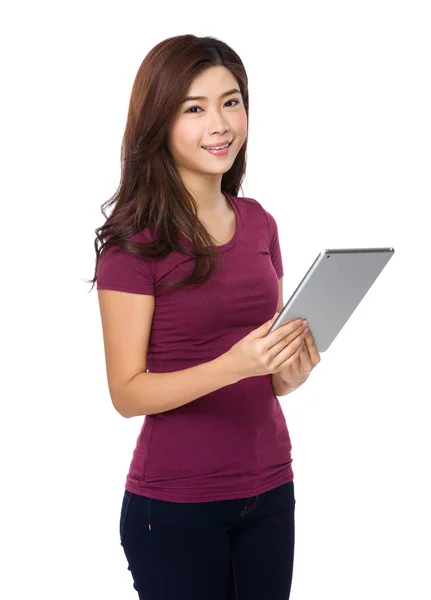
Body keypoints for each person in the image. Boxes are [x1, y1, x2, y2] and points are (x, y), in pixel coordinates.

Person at [89, 34, 320, 600]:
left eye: (231, 101)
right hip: (174, 505)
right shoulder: (132, 243)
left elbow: (270, 379)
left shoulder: (260, 222)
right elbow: (126, 393)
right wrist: (232, 364)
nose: (219, 124)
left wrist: (289, 370)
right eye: (194, 108)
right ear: (159, 122)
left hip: (269, 491)